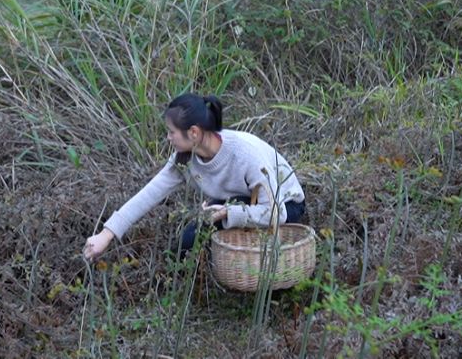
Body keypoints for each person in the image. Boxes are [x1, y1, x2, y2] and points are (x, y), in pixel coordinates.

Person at [83, 93, 306, 261]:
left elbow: (277, 212)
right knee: (185, 245)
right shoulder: (185, 158)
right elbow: (150, 194)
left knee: (214, 231)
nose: (168, 137)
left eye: (171, 132)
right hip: (239, 203)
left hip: (284, 204)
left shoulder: (245, 154)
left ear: (194, 133)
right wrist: (106, 234)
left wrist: (227, 212)